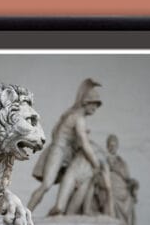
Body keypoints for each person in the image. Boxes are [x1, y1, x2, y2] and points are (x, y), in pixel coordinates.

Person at [28, 78, 102, 212]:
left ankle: (61, 209)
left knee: (71, 180)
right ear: (86, 102)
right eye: (94, 104)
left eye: (97, 105)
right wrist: (96, 164)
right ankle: (25, 213)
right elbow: (85, 145)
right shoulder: (78, 118)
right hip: (59, 151)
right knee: (46, 185)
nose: (95, 108)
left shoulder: (75, 115)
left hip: (66, 154)